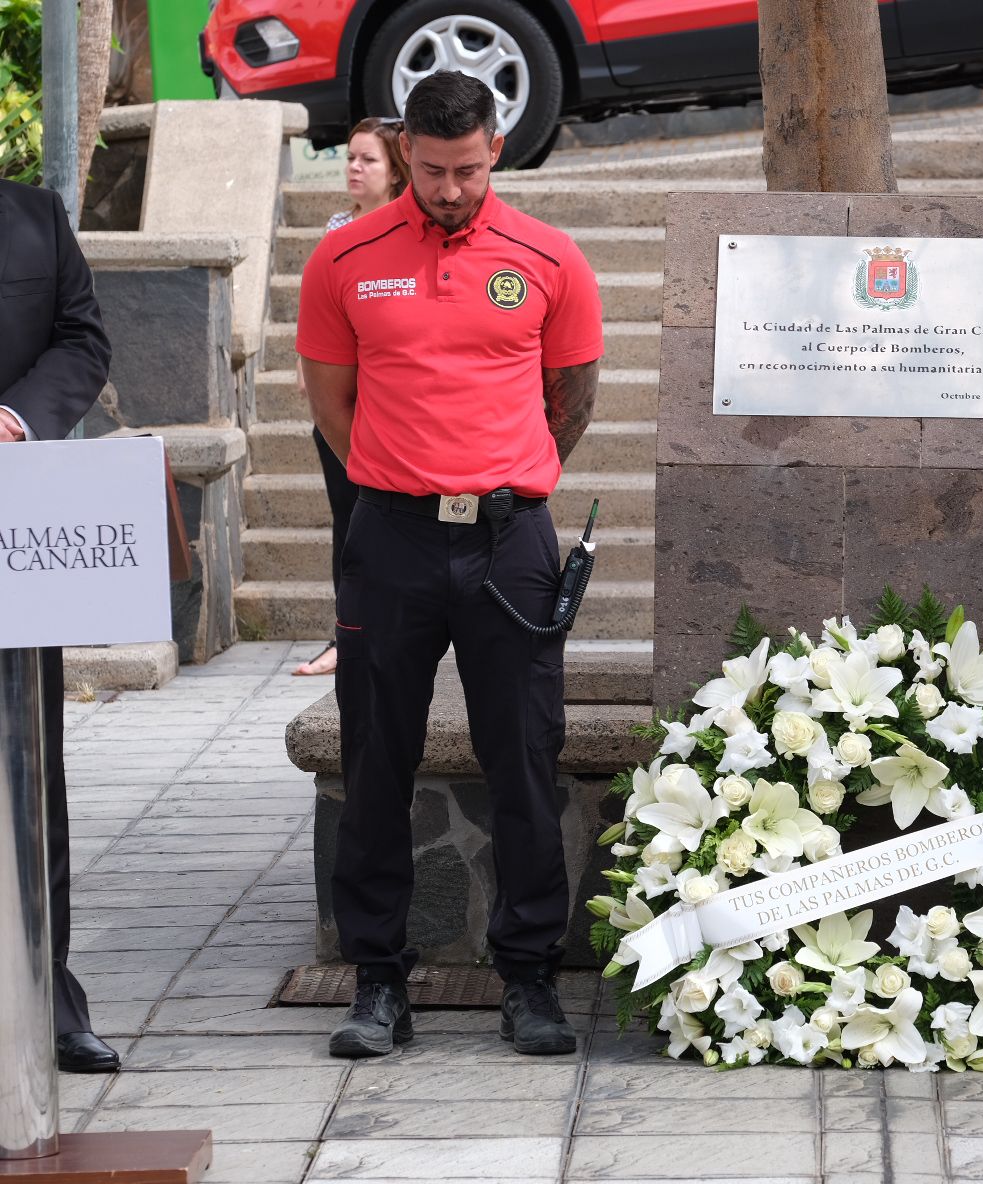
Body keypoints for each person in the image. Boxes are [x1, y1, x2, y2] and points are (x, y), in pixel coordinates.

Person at [296, 70, 603, 1059]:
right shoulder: (343, 257)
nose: (450, 190)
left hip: (510, 540)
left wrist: (506, 479)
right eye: (431, 172)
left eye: (467, 170)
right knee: (376, 754)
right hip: (392, 534)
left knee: (522, 753)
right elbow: (331, 404)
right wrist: (401, 480)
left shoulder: (550, 256)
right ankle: (378, 976)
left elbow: (572, 395)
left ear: (495, 149)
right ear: (406, 156)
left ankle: (527, 976)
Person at [0, 178, 120, 1074]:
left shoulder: (35, 216)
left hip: (19, 544)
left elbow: (83, 337)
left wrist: (18, 418)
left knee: (29, 778)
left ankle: (47, 996)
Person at [295, 118, 412, 677]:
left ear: (395, 172)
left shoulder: (411, 233)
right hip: (339, 402)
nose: (354, 169)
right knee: (349, 518)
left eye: (367, 159)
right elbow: (321, 316)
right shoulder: (337, 230)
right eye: (349, 158)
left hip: (391, 404)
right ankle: (349, 632)